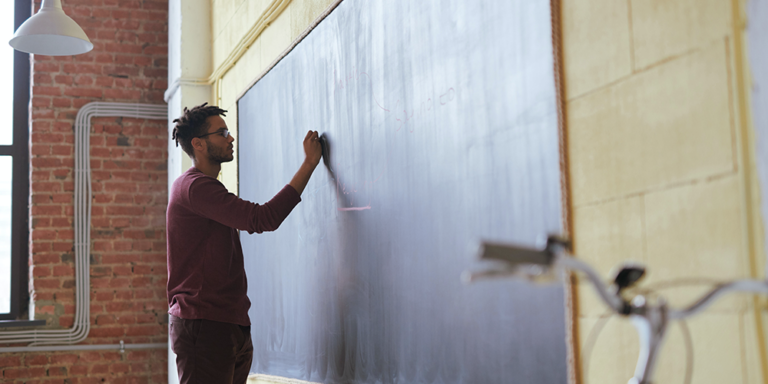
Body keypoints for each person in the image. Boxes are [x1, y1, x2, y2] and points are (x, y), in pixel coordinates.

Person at [165, 103, 322, 384]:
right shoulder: (195, 187)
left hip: (226, 322)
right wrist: (309, 163)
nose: (231, 138)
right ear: (198, 144)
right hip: (205, 323)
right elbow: (264, 218)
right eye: (222, 133)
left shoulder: (204, 189)